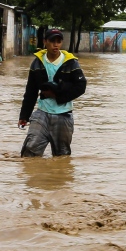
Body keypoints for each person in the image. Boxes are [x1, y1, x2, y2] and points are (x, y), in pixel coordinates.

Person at [18, 29, 87, 157]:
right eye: (52, 41)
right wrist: (24, 116)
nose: (56, 45)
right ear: (45, 42)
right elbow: (31, 92)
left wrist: (57, 94)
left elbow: (81, 86)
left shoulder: (71, 63)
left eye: (59, 41)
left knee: (62, 156)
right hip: (41, 113)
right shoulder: (37, 63)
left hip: (64, 115)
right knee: (29, 151)